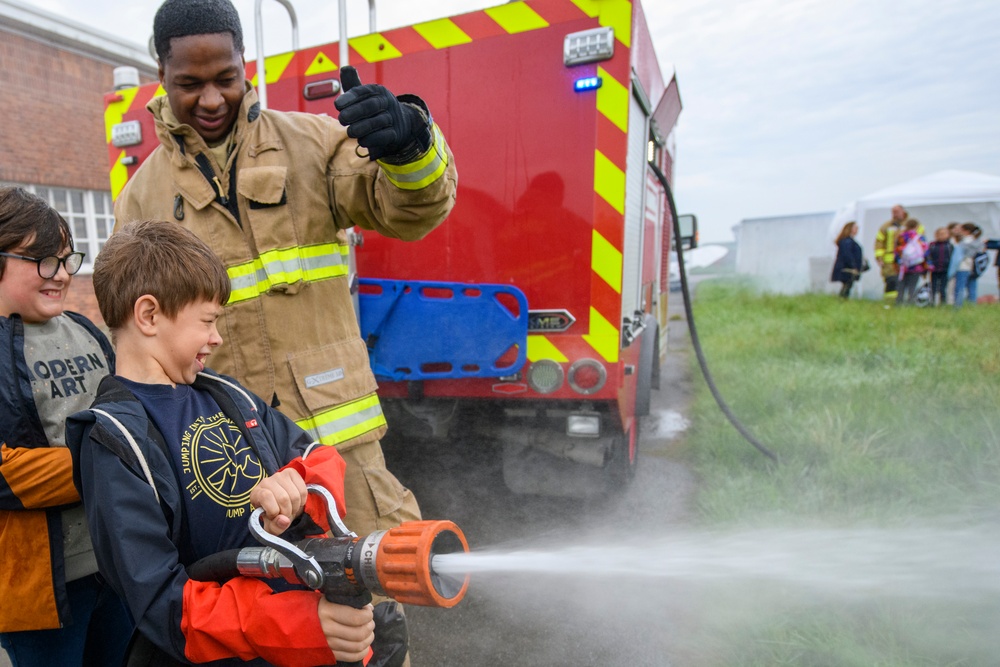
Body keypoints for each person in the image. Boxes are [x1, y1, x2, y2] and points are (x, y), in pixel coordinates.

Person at [113, 0, 456, 550]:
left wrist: (410, 144)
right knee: (268, 623)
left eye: (225, 78)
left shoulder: (313, 144)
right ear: (161, 75)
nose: (210, 99)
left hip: (345, 459)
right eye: (189, 83)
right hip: (233, 474)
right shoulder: (139, 201)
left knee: (378, 614)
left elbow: (412, 210)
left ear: (245, 62)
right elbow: (138, 343)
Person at [66, 220, 377, 666]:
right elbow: (163, 605)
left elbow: (316, 456)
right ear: (149, 315)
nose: (217, 337)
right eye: (208, 321)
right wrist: (301, 625)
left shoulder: (225, 394)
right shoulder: (114, 442)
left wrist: (296, 488)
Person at [0, 186, 133, 666]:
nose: (60, 274)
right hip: (36, 593)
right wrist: (105, 459)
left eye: (65, 259)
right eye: (41, 260)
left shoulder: (86, 330)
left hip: (117, 563)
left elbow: (130, 416)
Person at [874, 204, 908, 303]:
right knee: (891, 280)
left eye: (897, 212)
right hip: (889, 260)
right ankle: (890, 303)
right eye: (893, 212)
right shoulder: (886, 226)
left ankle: (903, 302)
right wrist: (879, 257)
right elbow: (879, 242)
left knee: (904, 281)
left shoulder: (911, 225)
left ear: (903, 212)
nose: (895, 214)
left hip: (907, 259)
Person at [950, 222, 985, 308]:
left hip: (963, 266)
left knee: (959, 287)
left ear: (966, 231)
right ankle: (972, 305)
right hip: (974, 267)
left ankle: (957, 306)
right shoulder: (978, 241)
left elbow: (959, 256)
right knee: (972, 287)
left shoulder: (964, 242)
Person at [893, 218, 928, 306]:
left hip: (903, 266)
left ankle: (899, 303)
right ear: (917, 226)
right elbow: (925, 252)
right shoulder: (920, 237)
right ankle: (910, 303)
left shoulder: (901, 237)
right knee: (912, 286)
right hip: (916, 266)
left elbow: (896, 251)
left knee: (901, 286)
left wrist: (898, 262)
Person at [830, 221, 864, 298]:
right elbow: (847, 255)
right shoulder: (847, 241)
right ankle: (842, 301)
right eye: (855, 228)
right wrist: (853, 266)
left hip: (847, 268)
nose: (857, 230)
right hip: (847, 268)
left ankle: (843, 301)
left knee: (848, 286)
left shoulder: (849, 241)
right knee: (847, 286)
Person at [924, 227, 953, 307]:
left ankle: (942, 303)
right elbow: (928, 256)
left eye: (943, 234)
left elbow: (952, 258)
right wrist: (929, 264)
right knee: (933, 287)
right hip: (934, 269)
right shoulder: (932, 245)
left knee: (943, 288)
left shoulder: (949, 246)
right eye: (939, 234)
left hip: (945, 269)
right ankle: (931, 302)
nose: (941, 236)